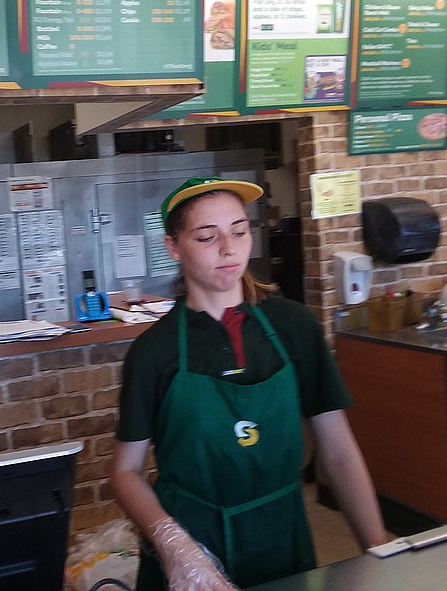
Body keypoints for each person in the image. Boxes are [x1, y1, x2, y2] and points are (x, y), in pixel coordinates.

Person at [109, 177, 388, 590]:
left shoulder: (293, 326)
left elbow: (339, 451)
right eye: (207, 236)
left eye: (239, 231)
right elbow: (125, 472)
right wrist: (174, 548)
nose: (229, 248)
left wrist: (380, 550)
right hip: (191, 543)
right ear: (173, 247)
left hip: (282, 535)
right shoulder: (155, 351)